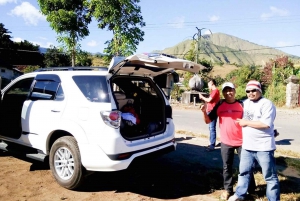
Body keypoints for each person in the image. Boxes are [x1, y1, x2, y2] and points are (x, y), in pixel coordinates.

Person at [200, 82, 256, 200]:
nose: (228, 93)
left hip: (243, 142)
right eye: (226, 90)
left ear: (235, 91)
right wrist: (204, 111)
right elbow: (208, 120)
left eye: (230, 90)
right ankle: (228, 189)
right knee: (227, 167)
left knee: (247, 167)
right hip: (226, 142)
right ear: (223, 92)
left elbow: (253, 120)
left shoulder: (243, 105)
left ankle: (251, 189)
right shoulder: (220, 104)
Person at [228, 80, 280, 201]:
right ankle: (240, 195)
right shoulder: (245, 103)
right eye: (248, 91)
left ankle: (273, 199)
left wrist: (246, 122)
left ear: (259, 90)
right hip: (247, 146)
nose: (250, 93)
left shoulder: (267, 104)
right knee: (244, 172)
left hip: (264, 147)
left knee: (270, 177)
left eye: (253, 90)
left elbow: (266, 124)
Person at [199, 79, 220, 151]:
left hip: (213, 111)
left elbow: (209, 100)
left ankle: (212, 145)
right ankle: (211, 143)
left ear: (212, 84)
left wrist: (202, 97)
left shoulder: (215, 91)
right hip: (209, 110)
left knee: (212, 128)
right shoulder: (213, 92)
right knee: (210, 128)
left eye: (209, 85)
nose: (208, 87)